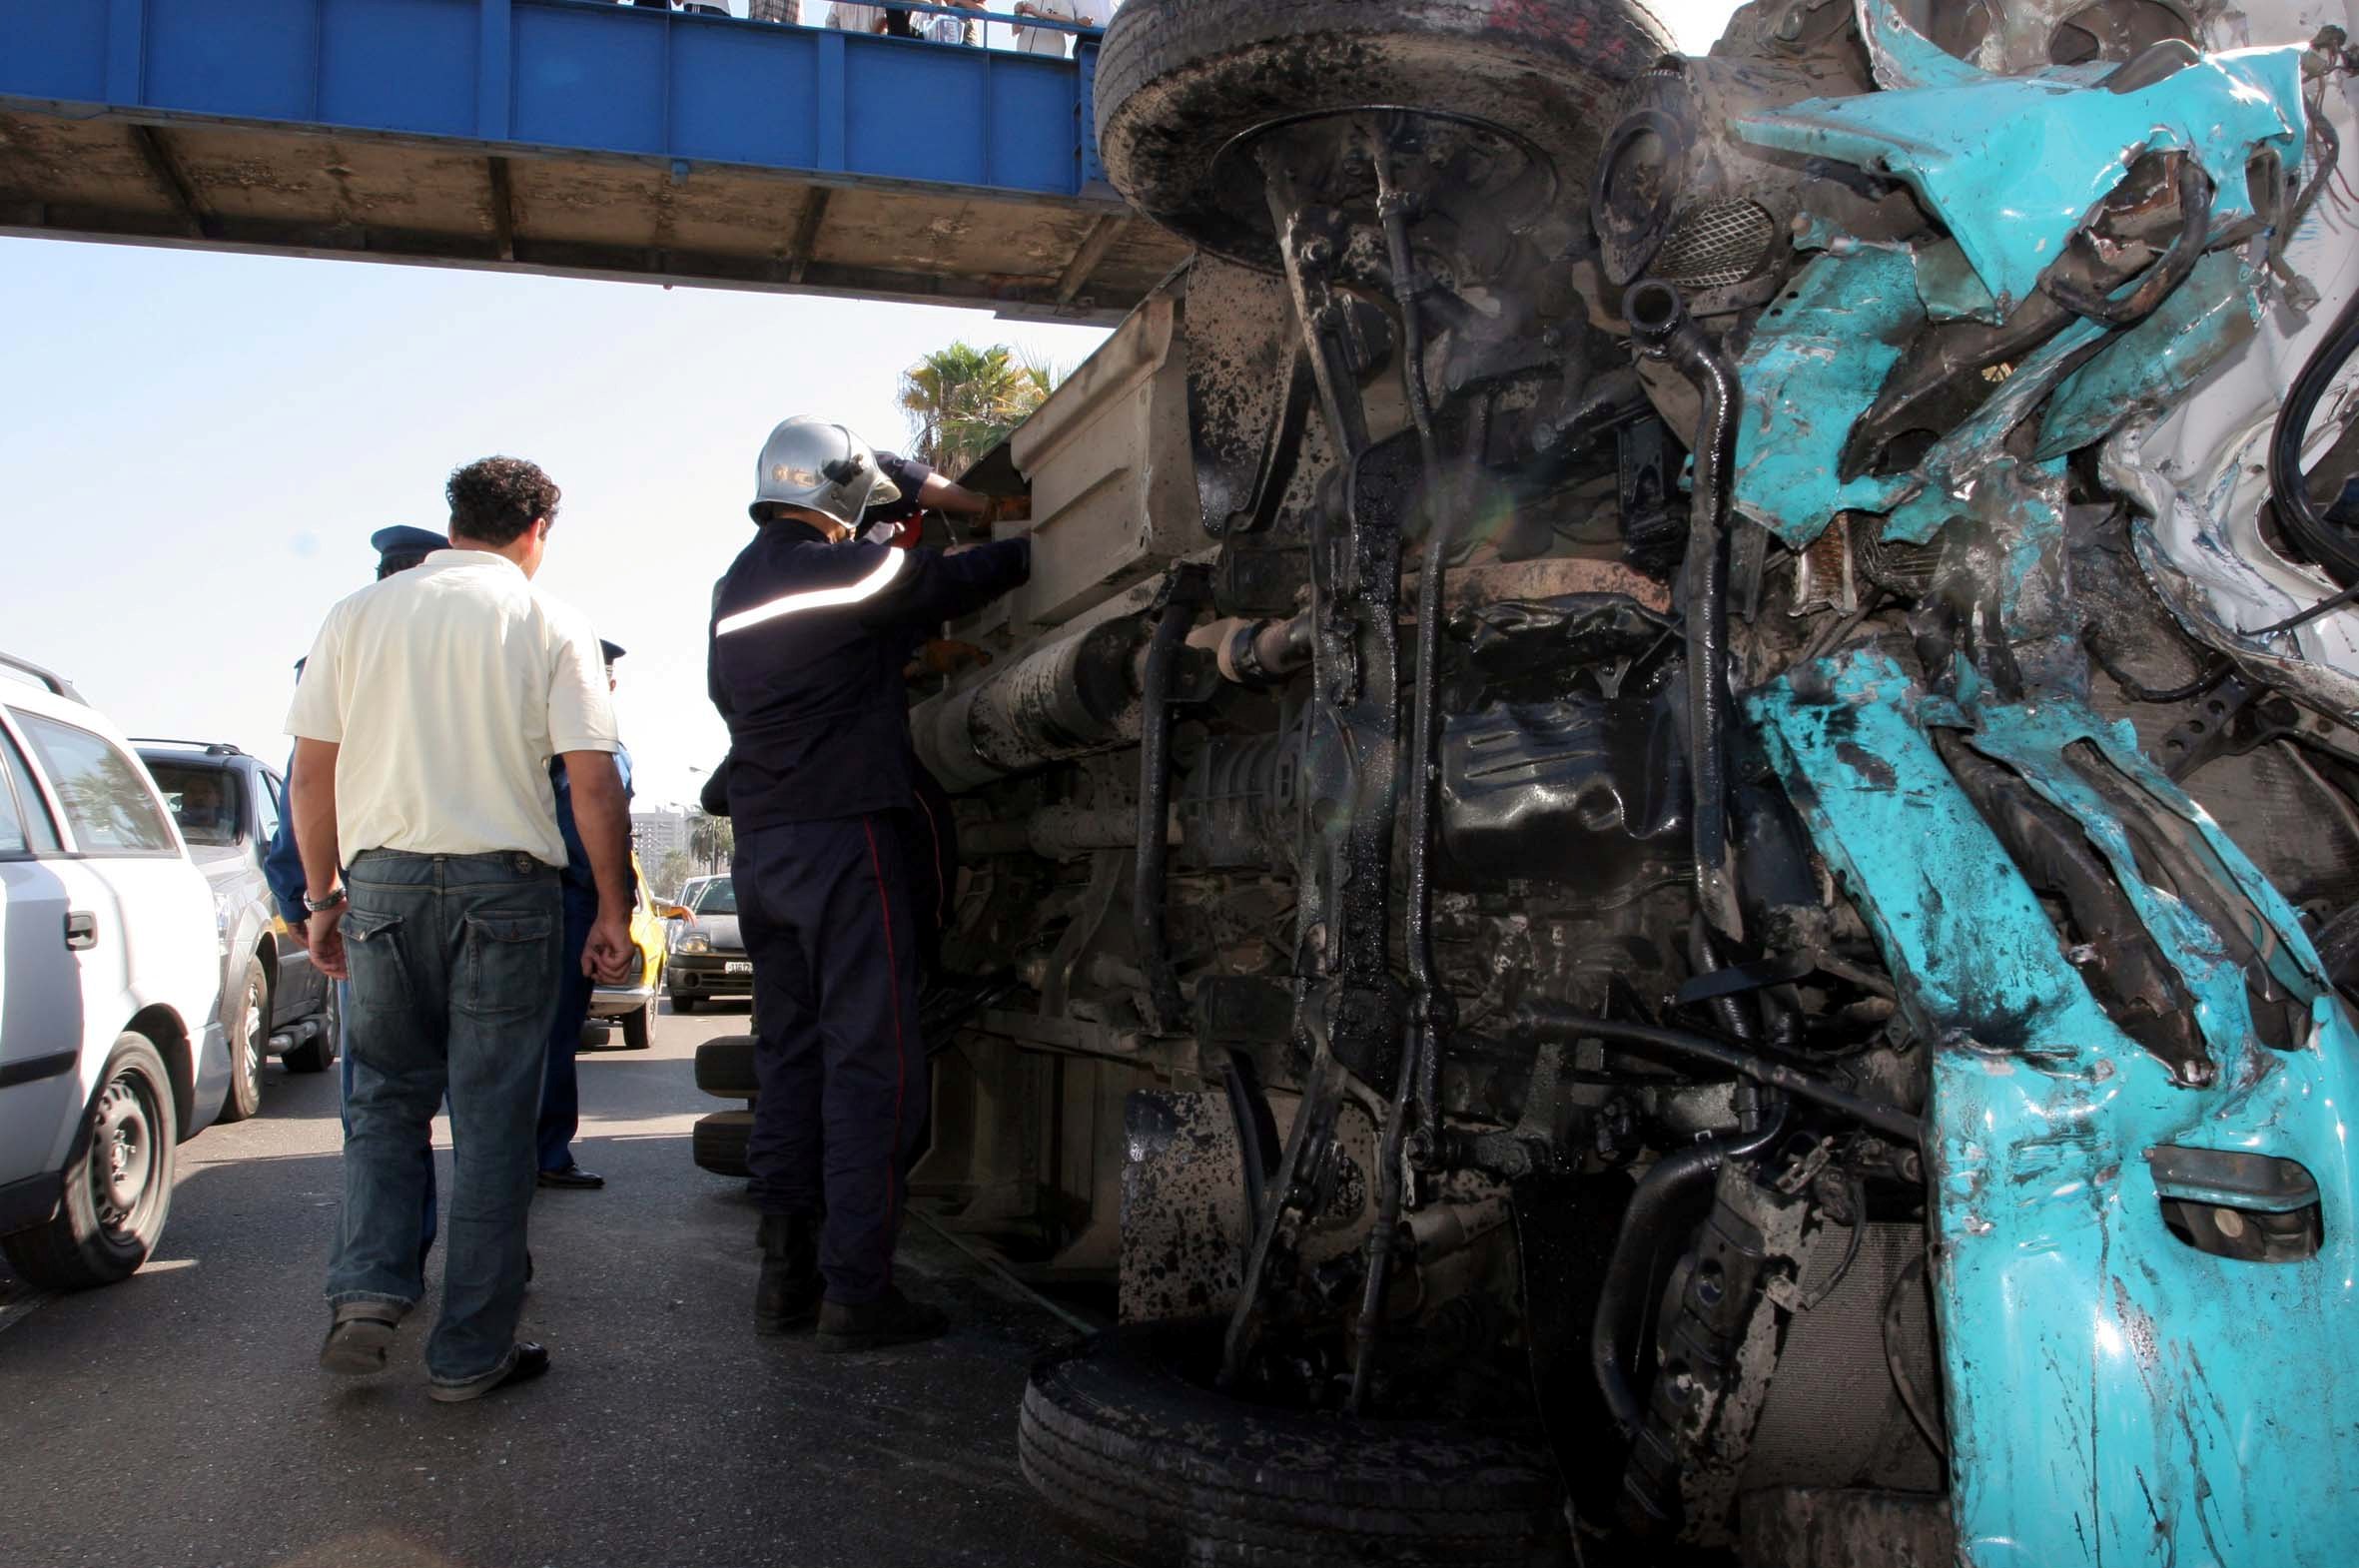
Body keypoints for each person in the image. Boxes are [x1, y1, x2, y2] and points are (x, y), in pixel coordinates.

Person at [290, 457, 635, 1403]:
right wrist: (612, 908)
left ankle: (366, 1293)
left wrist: (323, 899)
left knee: (385, 1106)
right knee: (491, 1124)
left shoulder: (358, 615)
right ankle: (468, 1353)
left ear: (454, 521)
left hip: (384, 890)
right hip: (506, 896)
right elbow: (593, 782)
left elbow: (311, 776)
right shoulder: (550, 620)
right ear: (537, 530)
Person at [709, 415, 1031, 1351]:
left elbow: (872, 474)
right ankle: (860, 1294)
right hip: (846, 843)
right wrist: (1010, 525)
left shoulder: (738, 583)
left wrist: (940, 501)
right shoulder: (847, 571)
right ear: (840, 497)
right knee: (872, 1067)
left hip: (765, 854)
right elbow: (971, 576)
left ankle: (786, 1286)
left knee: (792, 1062)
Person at [265, 525, 449, 1280]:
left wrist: (318, 910)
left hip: (368, 910)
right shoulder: (469, 666)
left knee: (380, 1107)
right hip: (491, 904)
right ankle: (488, 1271)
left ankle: (383, 1272)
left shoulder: (339, 659)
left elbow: (296, 821)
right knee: (488, 1106)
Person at [536, 639, 636, 1190]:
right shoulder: (581, 739)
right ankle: (543, 1153)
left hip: (567, 896)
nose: (609, 684)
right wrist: (609, 907)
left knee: (551, 1031)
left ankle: (539, 1150)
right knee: (551, 1031)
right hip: (568, 898)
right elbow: (588, 827)